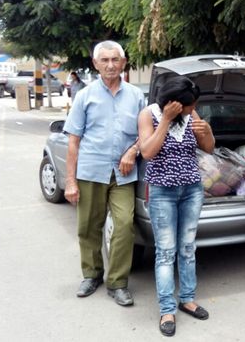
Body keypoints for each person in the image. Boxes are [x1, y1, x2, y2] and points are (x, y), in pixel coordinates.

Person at [63, 40, 145, 306]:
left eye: (115, 60)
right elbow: (73, 142)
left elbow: (146, 134)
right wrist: (71, 182)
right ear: (96, 64)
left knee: (124, 226)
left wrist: (133, 151)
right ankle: (91, 274)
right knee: (89, 227)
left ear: (123, 63)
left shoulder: (136, 96)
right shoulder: (84, 96)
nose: (111, 65)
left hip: (124, 173)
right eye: (105, 60)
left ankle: (118, 282)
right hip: (91, 171)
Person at [138, 76, 215, 337]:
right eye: (190, 105)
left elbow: (209, 148)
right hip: (162, 193)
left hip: (192, 189)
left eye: (195, 104)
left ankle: (187, 299)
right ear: (173, 104)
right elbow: (148, 152)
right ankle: (167, 309)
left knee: (187, 248)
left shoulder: (192, 114)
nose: (194, 109)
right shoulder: (149, 115)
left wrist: (208, 132)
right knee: (165, 252)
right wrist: (167, 121)